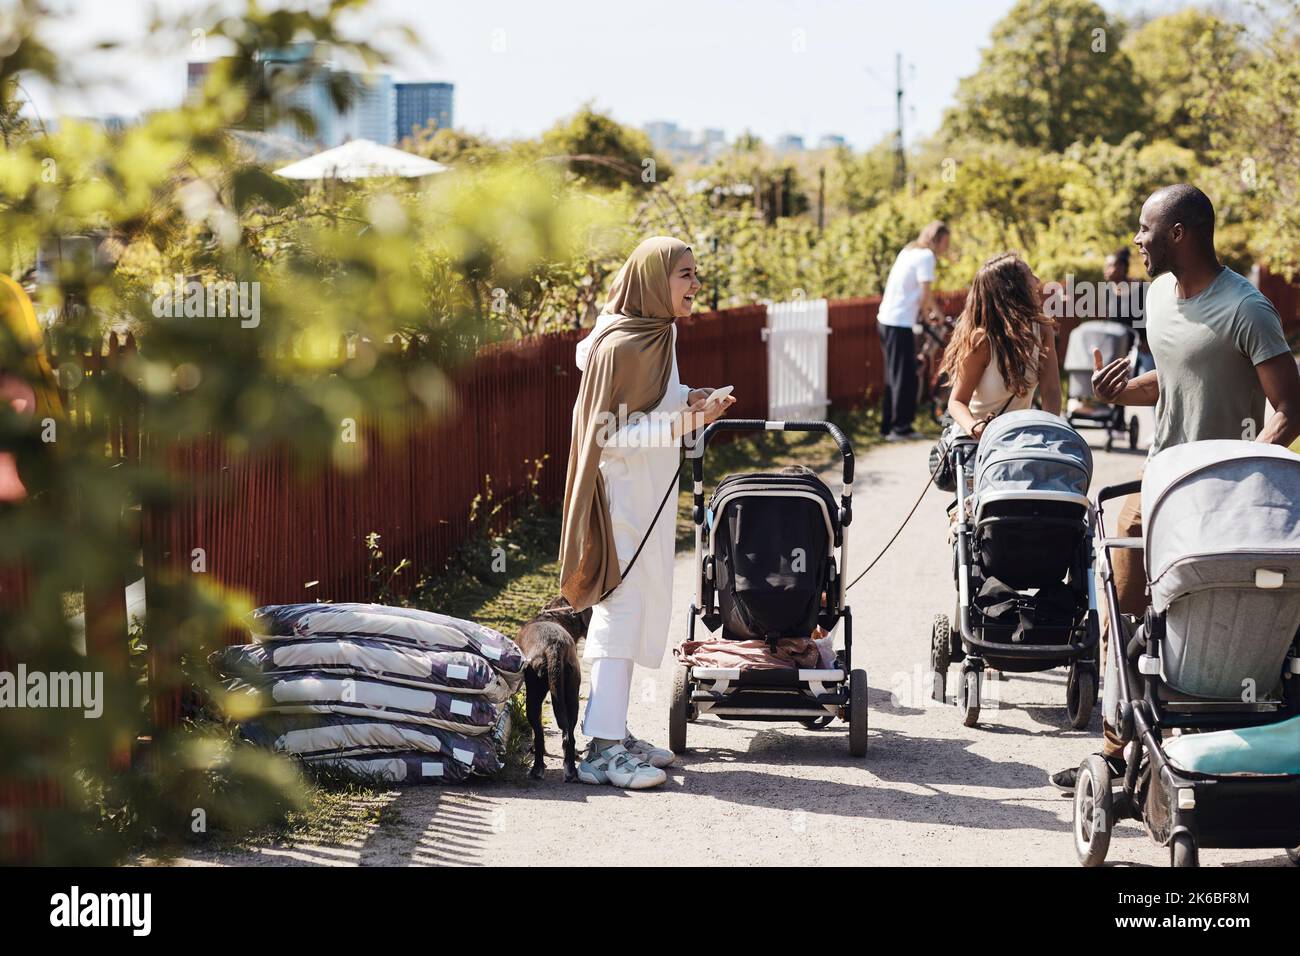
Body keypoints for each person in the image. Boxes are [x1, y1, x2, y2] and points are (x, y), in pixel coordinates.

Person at [1049, 184, 1300, 792]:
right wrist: (1121, 392)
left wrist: (1248, 467)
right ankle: (1119, 746)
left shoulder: (1247, 308)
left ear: (1180, 233)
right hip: (1161, 480)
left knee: (1219, 608)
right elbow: (1177, 376)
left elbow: (1290, 406)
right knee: (1122, 604)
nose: (1136, 239)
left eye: (1145, 228)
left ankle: (1229, 734)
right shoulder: (1159, 296)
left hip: (1225, 495)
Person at [558, 236, 736, 790]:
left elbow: (653, 401)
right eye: (685, 274)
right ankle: (600, 750)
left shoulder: (660, 333)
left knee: (639, 608)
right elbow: (610, 436)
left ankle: (615, 730)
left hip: (651, 498)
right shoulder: (622, 347)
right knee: (619, 609)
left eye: (695, 273)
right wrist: (686, 423)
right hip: (622, 501)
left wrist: (690, 400)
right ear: (656, 281)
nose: (695, 285)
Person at [942, 252, 1061, 442]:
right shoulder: (982, 340)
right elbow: (956, 402)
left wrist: (1051, 432)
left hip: (1016, 442)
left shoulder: (1042, 330)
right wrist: (975, 426)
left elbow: (1051, 390)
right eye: (1030, 275)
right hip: (975, 443)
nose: (1037, 280)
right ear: (1013, 288)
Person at [877, 221, 950, 440]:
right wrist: (934, 314)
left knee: (893, 375)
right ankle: (901, 428)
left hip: (886, 320)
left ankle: (887, 426)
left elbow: (917, 296)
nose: (947, 247)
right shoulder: (926, 257)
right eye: (946, 241)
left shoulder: (908, 250)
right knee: (905, 376)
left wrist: (928, 313)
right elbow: (925, 295)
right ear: (937, 240)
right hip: (899, 322)